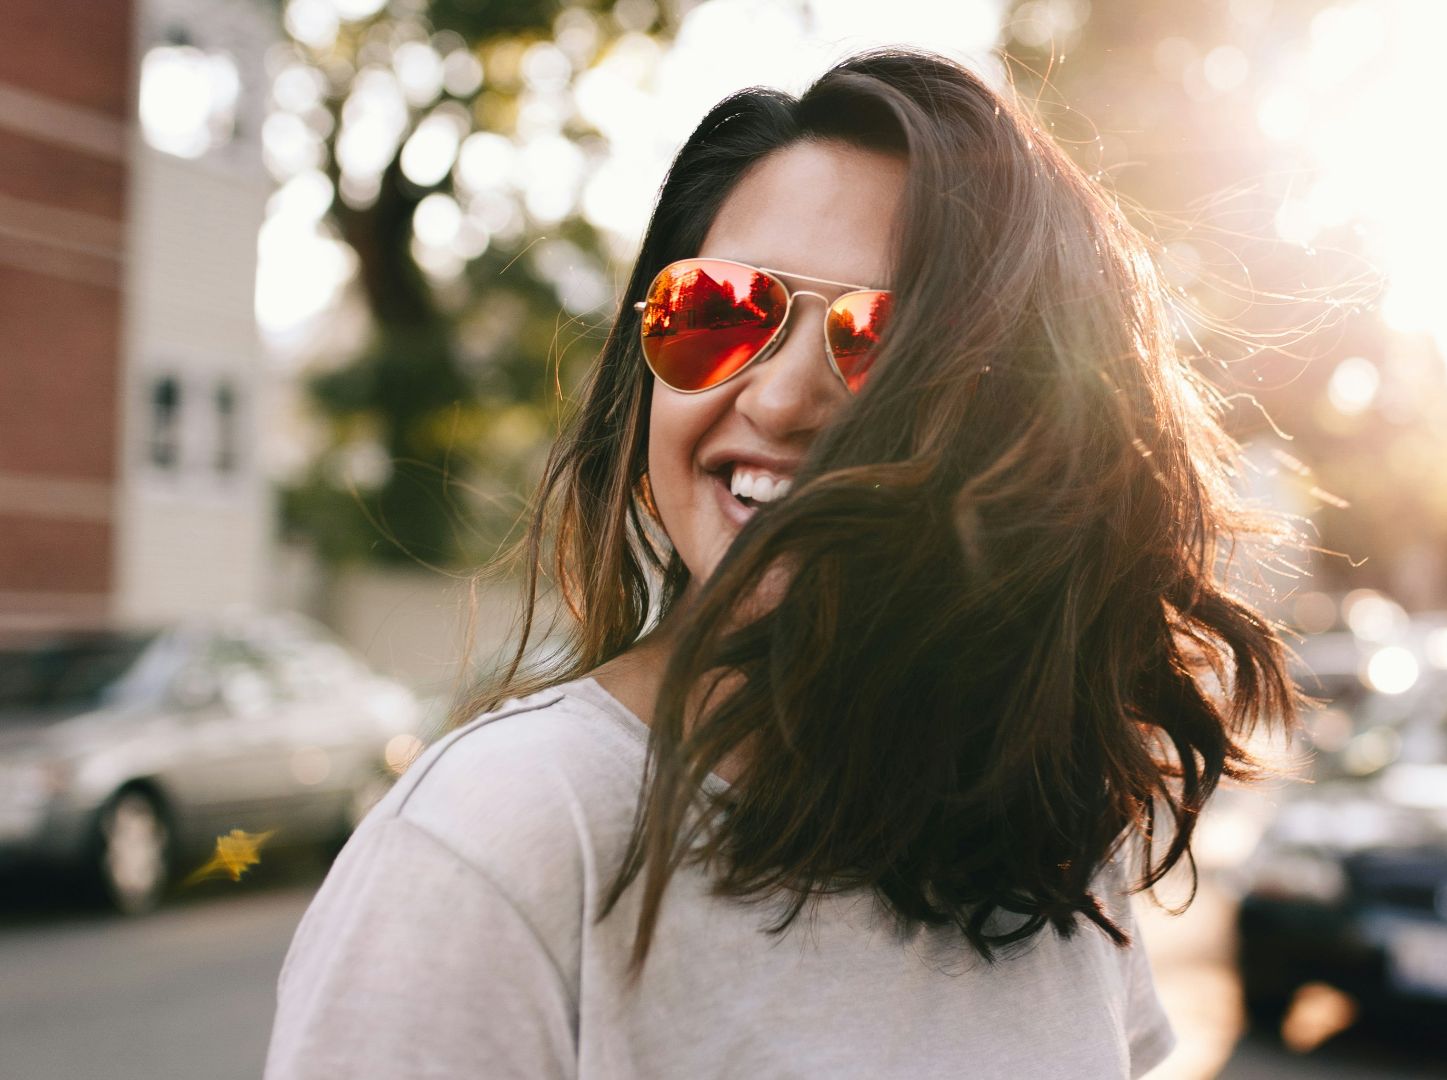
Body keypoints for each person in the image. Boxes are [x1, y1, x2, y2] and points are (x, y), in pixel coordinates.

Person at [266, 48, 1295, 1079]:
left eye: (887, 345)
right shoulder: (498, 839)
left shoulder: (1041, 831)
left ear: (1033, 429)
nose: (779, 400)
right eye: (719, 312)